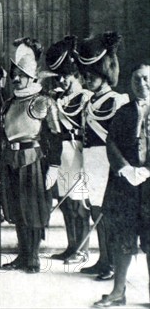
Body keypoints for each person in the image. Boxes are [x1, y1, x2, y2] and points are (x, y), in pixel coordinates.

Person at [0, 38, 62, 274]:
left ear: (32, 77)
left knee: (32, 210)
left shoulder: (42, 101)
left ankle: (33, 256)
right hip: (10, 159)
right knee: (16, 209)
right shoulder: (8, 104)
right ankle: (22, 254)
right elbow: (1, 136)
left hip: (33, 160)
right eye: (14, 74)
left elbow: (55, 136)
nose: (16, 78)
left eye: (22, 74)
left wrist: (54, 165)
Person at [93, 63, 150, 306]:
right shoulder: (123, 112)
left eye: (146, 79)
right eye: (137, 80)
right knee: (122, 238)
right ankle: (118, 292)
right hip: (125, 186)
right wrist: (125, 169)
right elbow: (111, 142)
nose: (142, 84)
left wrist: (147, 171)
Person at [77, 32, 129, 281]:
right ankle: (102, 259)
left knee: (108, 215)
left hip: (107, 163)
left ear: (104, 74)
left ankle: (112, 265)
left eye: (91, 76)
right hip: (91, 161)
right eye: (84, 76)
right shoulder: (91, 100)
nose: (86, 80)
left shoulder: (117, 101)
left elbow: (119, 139)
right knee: (95, 212)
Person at [44, 36, 92, 265]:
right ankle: (71, 246)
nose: (62, 80)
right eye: (60, 76)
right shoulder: (58, 98)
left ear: (77, 76)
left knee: (79, 204)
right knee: (65, 203)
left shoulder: (85, 98)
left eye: (66, 76)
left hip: (77, 152)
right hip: (61, 153)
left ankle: (83, 250)